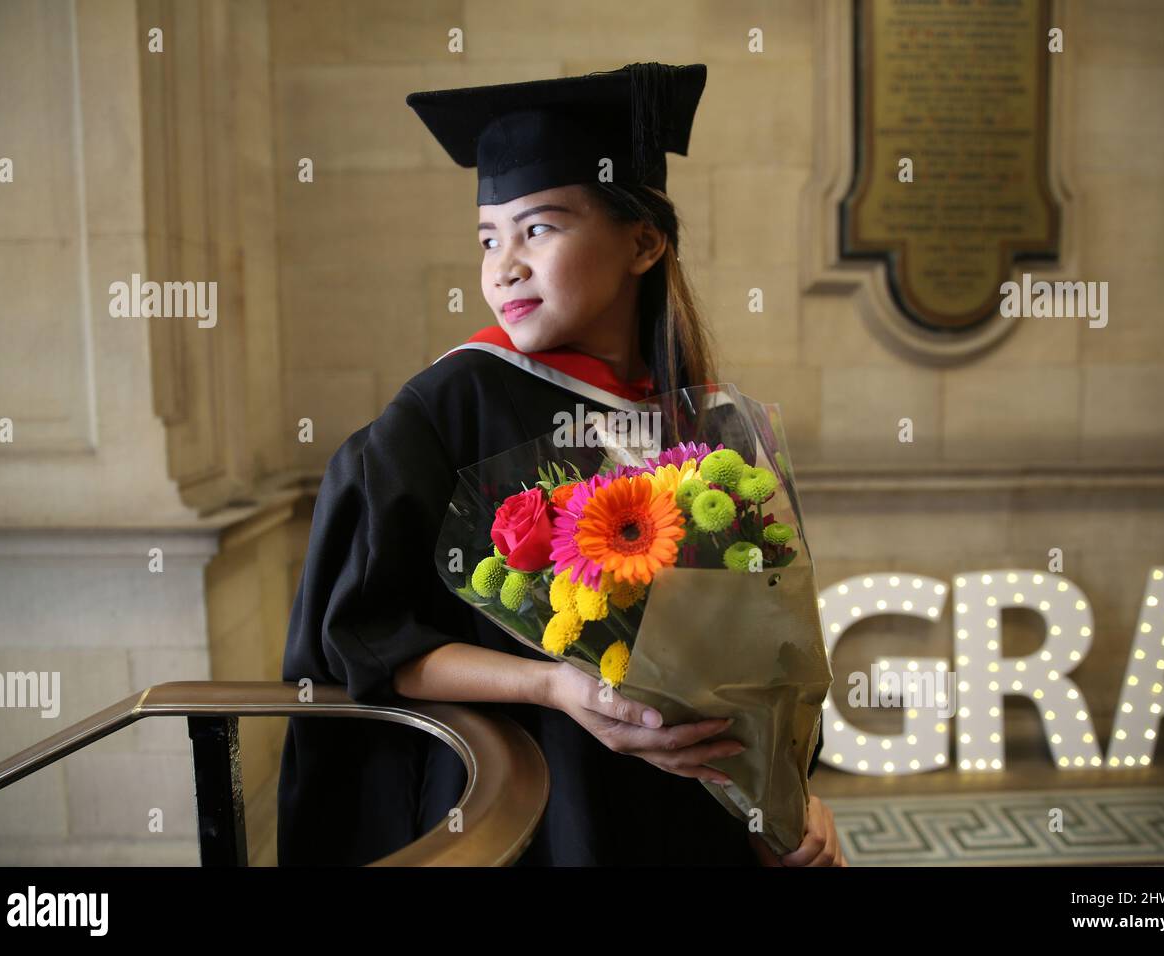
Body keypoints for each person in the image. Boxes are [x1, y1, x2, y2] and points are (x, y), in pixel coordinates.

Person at [277, 61, 845, 867]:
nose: (503, 265)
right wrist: (552, 684)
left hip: (688, 817)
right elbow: (367, 643)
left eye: (538, 228)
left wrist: (790, 798)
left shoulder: (703, 420)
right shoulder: (449, 405)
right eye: (488, 237)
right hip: (540, 813)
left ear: (644, 241)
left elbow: (759, 664)